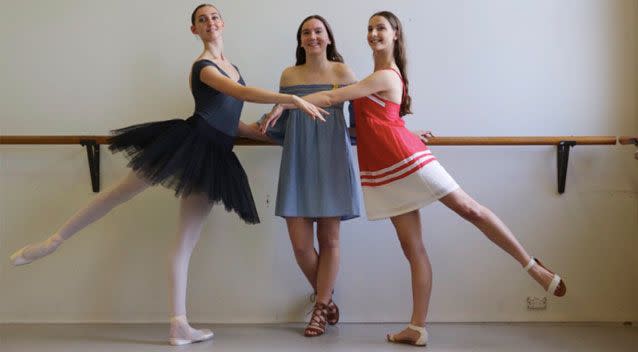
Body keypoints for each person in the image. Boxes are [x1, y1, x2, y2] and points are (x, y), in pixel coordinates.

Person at [9, 3, 327, 346]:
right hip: (189, 142)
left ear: (224, 23)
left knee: (185, 243)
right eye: (202, 20)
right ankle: (52, 242)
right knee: (119, 193)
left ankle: (178, 324)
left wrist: (268, 132)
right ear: (194, 30)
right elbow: (242, 94)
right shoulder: (203, 67)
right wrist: (293, 101)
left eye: (214, 17)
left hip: (215, 156)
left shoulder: (232, 67)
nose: (210, 23)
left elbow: (232, 121)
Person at [262, 10, 566, 347]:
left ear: (395, 35)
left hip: (406, 158)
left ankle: (531, 265)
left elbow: (333, 98)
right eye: (370, 28)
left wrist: (287, 104)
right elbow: (372, 122)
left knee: (470, 209)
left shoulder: (384, 76)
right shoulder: (373, 76)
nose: (374, 33)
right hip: (386, 171)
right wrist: (406, 128)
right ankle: (417, 327)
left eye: (381, 28)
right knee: (413, 249)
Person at [259, 15, 361, 337]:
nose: (312, 36)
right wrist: (257, 123)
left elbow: (361, 121)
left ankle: (319, 310)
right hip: (298, 159)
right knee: (301, 246)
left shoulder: (343, 73)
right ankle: (327, 300)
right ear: (300, 40)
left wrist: (405, 134)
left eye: (318, 31)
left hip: (331, 157)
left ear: (328, 37)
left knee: (329, 240)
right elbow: (282, 120)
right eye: (306, 32)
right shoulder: (289, 75)